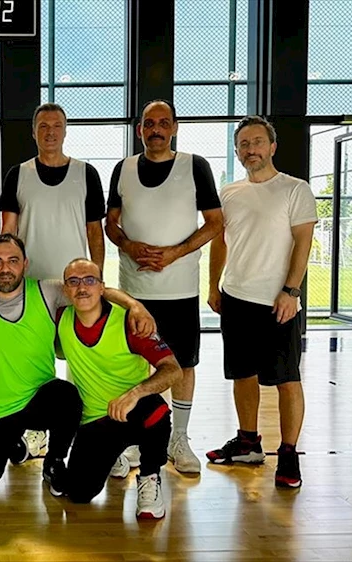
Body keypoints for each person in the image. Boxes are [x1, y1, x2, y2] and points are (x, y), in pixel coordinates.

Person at [0, 234, 156, 496]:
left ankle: (54, 461)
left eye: (13, 260)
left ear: (25, 264)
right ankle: (13, 442)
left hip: (40, 401)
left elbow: (92, 289)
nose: (5, 268)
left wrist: (134, 305)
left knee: (67, 396)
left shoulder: (47, 291)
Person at [104, 100, 223, 474]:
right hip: (134, 291)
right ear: (139, 128)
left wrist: (175, 253)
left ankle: (179, 438)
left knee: (183, 364)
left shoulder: (195, 166)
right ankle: (135, 438)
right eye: (148, 123)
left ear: (174, 127)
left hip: (180, 288)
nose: (155, 129)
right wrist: (128, 245)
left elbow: (215, 222)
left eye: (163, 123)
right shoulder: (123, 169)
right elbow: (110, 224)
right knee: (135, 363)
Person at [207, 116, 317, 489]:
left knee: (287, 379)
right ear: (237, 151)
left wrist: (291, 291)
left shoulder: (295, 189)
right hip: (236, 298)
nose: (250, 149)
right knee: (242, 375)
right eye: (243, 144)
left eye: (257, 142)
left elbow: (303, 242)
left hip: (278, 302)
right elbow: (220, 242)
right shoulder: (229, 193)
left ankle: (288, 454)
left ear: (272, 147)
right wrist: (214, 286)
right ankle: (248, 443)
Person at [57, 259, 182, 520]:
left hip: (132, 411)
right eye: (74, 281)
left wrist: (135, 394)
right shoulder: (60, 318)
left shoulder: (131, 323)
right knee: (78, 493)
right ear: (65, 289)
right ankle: (115, 455)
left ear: (102, 287)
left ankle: (149, 477)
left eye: (90, 280)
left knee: (156, 409)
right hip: (95, 421)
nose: (82, 287)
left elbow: (173, 370)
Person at [0, 102, 107, 279]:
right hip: (30, 279)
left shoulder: (86, 173)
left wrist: (97, 276)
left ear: (65, 132)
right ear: (33, 132)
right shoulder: (17, 174)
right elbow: (8, 230)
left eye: (57, 126)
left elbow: (94, 231)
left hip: (74, 281)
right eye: (43, 126)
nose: (50, 132)